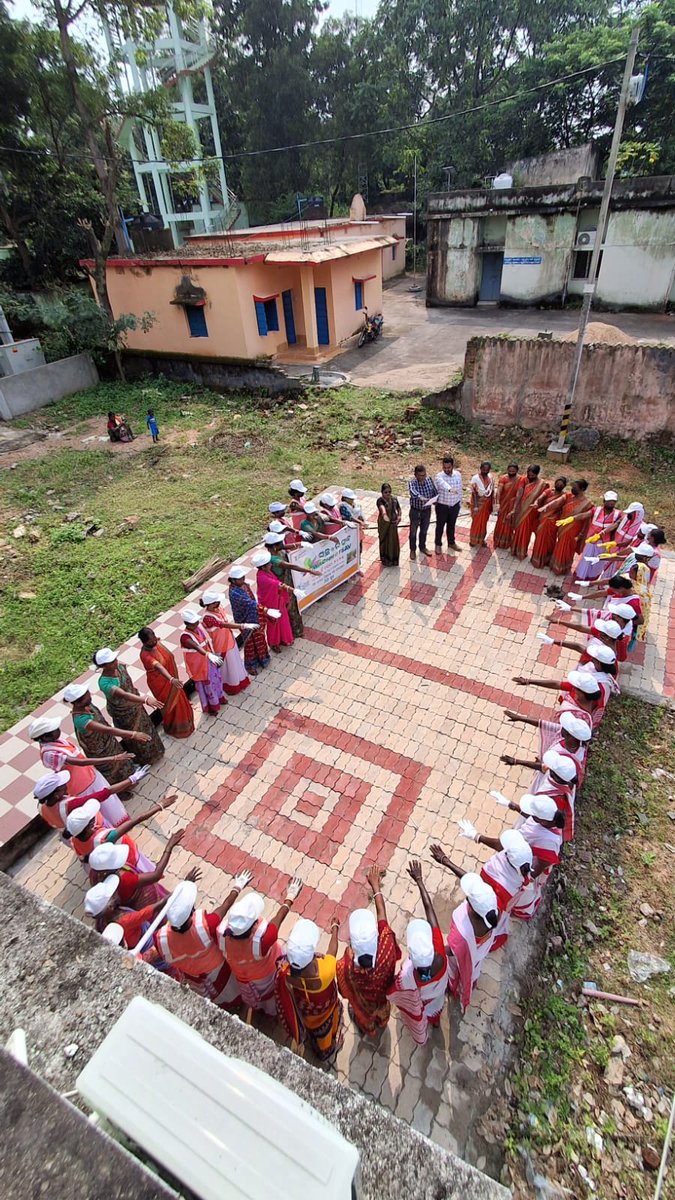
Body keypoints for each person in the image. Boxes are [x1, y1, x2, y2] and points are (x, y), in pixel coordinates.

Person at [156, 873, 253, 1010]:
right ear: (191, 913)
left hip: (193, 978)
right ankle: (238, 1005)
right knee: (230, 990)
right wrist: (237, 886)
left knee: (217, 996)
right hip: (218, 971)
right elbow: (224, 907)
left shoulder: (160, 939)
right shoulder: (205, 925)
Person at [218, 877, 303, 1016]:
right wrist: (290, 896)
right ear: (252, 928)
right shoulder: (263, 941)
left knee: (260, 998)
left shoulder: (221, 934)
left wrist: (236, 887)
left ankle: (262, 1011)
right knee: (271, 997)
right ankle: (275, 1012)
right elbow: (278, 918)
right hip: (266, 976)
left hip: (243, 977)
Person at [336, 865, 402, 1038]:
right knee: (382, 1011)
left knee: (364, 1018)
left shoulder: (344, 966)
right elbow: (382, 915)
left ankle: (370, 1031)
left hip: (363, 1008)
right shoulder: (386, 946)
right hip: (382, 1000)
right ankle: (382, 1021)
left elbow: (343, 992)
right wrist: (376, 887)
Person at [388, 860, 449, 1045]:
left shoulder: (408, 975)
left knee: (424, 1011)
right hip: (438, 997)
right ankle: (436, 1024)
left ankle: (426, 1026)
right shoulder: (439, 953)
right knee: (436, 1010)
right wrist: (420, 881)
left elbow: (396, 991)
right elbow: (430, 910)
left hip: (423, 1001)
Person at [434, 827, 533, 936]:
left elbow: (475, 885)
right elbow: (501, 846)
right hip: (503, 905)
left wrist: (447, 862)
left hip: (488, 912)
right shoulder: (522, 868)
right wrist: (476, 836)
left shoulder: (493, 875)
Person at [275, 916, 344, 1063]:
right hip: (326, 1013)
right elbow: (332, 950)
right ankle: (329, 1050)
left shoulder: (285, 971)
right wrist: (335, 928)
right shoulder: (326, 971)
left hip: (307, 1016)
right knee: (326, 1033)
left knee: (316, 1033)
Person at [29, 712, 133, 806]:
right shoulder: (50, 753)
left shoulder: (55, 742)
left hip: (89, 774)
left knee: (107, 797)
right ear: (46, 737)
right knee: (102, 802)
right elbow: (80, 762)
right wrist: (113, 758)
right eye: (55, 730)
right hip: (82, 785)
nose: (58, 730)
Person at [85, 864, 202, 942]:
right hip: (146, 940)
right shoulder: (126, 919)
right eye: (112, 895)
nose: (115, 894)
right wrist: (184, 885)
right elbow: (159, 905)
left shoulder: (101, 922)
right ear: (110, 907)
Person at [493, 794, 565, 920]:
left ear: (542, 820)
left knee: (524, 894)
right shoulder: (550, 819)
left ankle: (521, 910)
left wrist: (526, 880)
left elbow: (540, 866)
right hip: (527, 859)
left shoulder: (545, 840)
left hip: (529, 868)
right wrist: (512, 805)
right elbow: (533, 818)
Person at [64, 684, 153, 783]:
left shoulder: (87, 706)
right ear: (78, 702)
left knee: (120, 758)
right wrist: (133, 734)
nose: (90, 695)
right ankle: (122, 789)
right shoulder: (82, 720)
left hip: (107, 741)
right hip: (100, 748)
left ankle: (129, 774)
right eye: (87, 695)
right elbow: (107, 730)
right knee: (111, 767)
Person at [442, 869, 501, 1013]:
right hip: (478, 956)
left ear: (473, 910)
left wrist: (437, 948)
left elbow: (452, 951)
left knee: (456, 971)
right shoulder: (493, 913)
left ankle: (453, 988)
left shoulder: (463, 935)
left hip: (461, 958)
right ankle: (471, 982)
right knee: (473, 971)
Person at [95, 647, 164, 764]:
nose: (115, 662)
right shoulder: (104, 682)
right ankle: (143, 760)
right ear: (104, 666)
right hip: (124, 715)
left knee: (147, 729)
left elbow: (130, 687)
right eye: (111, 662)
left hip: (136, 707)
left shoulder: (120, 667)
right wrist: (145, 699)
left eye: (115, 659)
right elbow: (123, 694)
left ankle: (156, 753)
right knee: (134, 738)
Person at [34, 765, 147, 833]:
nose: (66, 785)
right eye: (62, 785)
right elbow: (103, 794)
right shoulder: (69, 805)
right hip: (88, 833)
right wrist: (131, 779)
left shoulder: (42, 806)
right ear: (56, 795)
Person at [502, 708, 592, 787]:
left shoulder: (564, 757)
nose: (561, 726)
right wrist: (519, 718)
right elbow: (544, 724)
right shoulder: (576, 744)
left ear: (571, 736)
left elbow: (543, 768)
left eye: (565, 727)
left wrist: (516, 761)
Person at [138, 627, 195, 739]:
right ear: (145, 642)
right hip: (160, 683)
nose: (154, 641)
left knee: (180, 701)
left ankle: (187, 722)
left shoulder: (156, 643)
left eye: (154, 637)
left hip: (171, 680)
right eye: (151, 641)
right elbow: (159, 666)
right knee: (171, 706)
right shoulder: (145, 655)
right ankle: (175, 729)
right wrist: (171, 679)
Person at [263, 531, 321, 639]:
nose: (282, 544)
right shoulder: (273, 559)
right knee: (290, 608)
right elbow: (292, 566)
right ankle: (294, 631)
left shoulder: (277, 550)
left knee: (292, 605)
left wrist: (300, 544)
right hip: (283, 586)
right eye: (280, 543)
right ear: (274, 546)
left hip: (289, 581)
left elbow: (285, 546)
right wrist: (310, 571)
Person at [512, 667, 607, 731]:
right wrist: (529, 681)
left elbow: (555, 729)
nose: (573, 687)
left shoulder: (578, 718)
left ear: (582, 693)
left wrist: (521, 718)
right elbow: (557, 684)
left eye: (576, 687)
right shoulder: (591, 695)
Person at [200, 591, 251, 695]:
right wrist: (242, 626)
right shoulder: (207, 617)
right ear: (212, 604)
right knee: (228, 666)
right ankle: (232, 686)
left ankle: (241, 680)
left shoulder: (219, 608)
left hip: (230, 640)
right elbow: (223, 625)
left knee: (235, 661)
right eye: (217, 601)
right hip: (221, 645)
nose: (219, 602)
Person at [179, 609, 226, 715]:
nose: (196, 623)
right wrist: (209, 655)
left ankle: (220, 698)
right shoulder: (185, 637)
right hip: (199, 666)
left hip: (208, 661)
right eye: (194, 622)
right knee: (206, 687)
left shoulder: (199, 627)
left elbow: (207, 640)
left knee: (216, 680)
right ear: (187, 624)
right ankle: (211, 707)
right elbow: (196, 647)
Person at [228, 565, 270, 675]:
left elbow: (252, 599)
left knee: (259, 638)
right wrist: (264, 610)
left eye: (243, 577)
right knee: (249, 643)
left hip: (254, 615)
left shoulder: (244, 585)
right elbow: (249, 602)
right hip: (245, 620)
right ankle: (250, 665)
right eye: (240, 578)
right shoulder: (234, 593)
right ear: (233, 580)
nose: (243, 580)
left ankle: (263, 659)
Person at [574, 491, 622, 582]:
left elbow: (617, 525)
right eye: (609, 501)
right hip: (592, 541)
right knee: (586, 559)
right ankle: (581, 576)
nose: (611, 503)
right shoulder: (596, 510)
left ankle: (593, 578)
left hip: (604, 543)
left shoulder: (618, 514)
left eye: (613, 501)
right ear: (604, 501)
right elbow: (585, 515)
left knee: (598, 562)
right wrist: (573, 518)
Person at [252, 550, 293, 652]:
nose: (271, 565)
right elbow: (276, 584)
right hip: (271, 604)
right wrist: (291, 590)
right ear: (263, 567)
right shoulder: (262, 577)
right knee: (273, 624)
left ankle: (283, 639)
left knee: (283, 621)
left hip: (278, 600)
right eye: (269, 564)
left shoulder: (267, 572)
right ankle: (274, 643)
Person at [550, 480, 593, 576]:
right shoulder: (569, 496)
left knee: (568, 550)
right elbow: (558, 502)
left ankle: (563, 569)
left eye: (575, 487)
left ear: (582, 489)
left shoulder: (587, 504)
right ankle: (555, 566)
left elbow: (586, 522)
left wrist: (581, 535)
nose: (572, 488)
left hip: (573, 532)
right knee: (559, 546)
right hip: (562, 528)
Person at [510, 465, 548, 561]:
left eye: (532, 475)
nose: (530, 477)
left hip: (532, 512)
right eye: (529, 474)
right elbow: (519, 492)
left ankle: (522, 552)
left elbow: (544, 498)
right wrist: (515, 507)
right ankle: (514, 549)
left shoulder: (542, 484)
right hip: (522, 509)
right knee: (518, 530)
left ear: (537, 474)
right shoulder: (524, 480)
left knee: (526, 532)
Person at [531, 476, 567, 569]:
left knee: (550, 541)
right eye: (558, 483)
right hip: (543, 519)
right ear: (555, 483)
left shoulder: (564, 496)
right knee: (540, 539)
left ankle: (547, 560)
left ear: (564, 486)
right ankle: (536, 559)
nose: (559, 485)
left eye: (561, 484)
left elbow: (561, 507)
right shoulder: (548, 491)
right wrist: (536, 502)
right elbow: (540, 497)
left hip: (553, 522)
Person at [434, 456, 463, 554]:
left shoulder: (458, 474)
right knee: (440, 526)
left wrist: (460, 502)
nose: (446, 470)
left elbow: (459, 488)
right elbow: (442, 484)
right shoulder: (439, 476)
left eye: (448, 468)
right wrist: (450, 489)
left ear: (452, 466)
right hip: (442, 506)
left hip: (454, 505)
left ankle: (451, 543)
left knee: (451, 525)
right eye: (444, 467)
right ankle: (438, 544)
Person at [407, 465, 437, 560]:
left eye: (424, 475)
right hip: (415, 510)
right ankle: (412, 550)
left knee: (424, 530)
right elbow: (413, 492)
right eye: (420, 475)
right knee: (413, 532)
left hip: (426, 510)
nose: (423, 477)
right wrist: (421, 498)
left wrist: (436, 499)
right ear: (415, 475)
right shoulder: (412, 483)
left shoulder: (429, 480)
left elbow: (434, 491)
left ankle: (422, 547)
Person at [492, 463, 520, 551]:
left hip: (513, 505)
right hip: (503, 505)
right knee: (501, 522)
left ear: (517, 470)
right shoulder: (503, 478)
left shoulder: (520, 479)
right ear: (507, 470)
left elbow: (520, 493)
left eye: (513, 470)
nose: (511, 472)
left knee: (509, 524)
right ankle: (498, 540)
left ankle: (507, 541)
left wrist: (515, 507)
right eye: (510, 470)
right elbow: (499, 491)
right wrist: (498, 503)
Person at [469, 461, 495, 548]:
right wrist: (476, 506)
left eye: (487, 470)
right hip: (478, 504)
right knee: (476, 523)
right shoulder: (475, 478)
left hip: (486, 505)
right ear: (480, 469)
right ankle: (473, 540)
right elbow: (474, 493)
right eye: (483, 469)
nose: (485, 471)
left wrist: (492, 504)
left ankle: (481, 540)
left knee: (484, 523)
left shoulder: (490, 477)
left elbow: (491, 491)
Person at [376, 483, 402, 566]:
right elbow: (382, 508)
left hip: (393, 525)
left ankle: (394, 559)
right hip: (384, 524)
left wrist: (399, 516)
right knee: (384, 540)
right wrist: (384, 515)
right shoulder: (380, 500)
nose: (388, 494)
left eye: (389, 492)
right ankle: (385, 559)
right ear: (382, 492)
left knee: (393, 541)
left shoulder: (394, 499)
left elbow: (398, 508)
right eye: (385, 492)